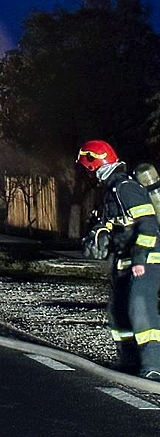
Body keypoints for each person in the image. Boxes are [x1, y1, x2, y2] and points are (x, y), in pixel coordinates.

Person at [77, 140, 160, 379]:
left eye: (87, 168)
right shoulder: (111, 190)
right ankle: (128, 362)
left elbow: (149, 224)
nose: (87, 175)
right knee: (118, 312)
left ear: (93, 164)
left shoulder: (125, 187)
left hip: (147, 259)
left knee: (140, 308)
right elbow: (114, 225)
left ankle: (153, 367)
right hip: (125, 261)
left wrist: (140, 258)